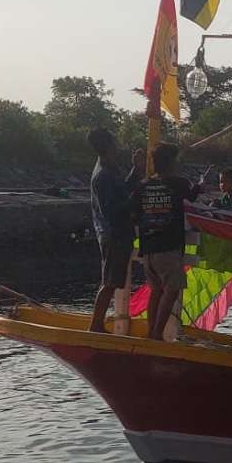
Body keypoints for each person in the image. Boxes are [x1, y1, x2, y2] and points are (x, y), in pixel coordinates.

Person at [133, 143, 204, 341]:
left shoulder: (143, 185)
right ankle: (157, 334)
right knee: (172, 290)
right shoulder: (179, 183)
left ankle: (150, 332)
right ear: (171, 162)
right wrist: (199, 186)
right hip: (168, 247)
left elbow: (134, 211)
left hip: (147, 248)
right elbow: (191, 196)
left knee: (156, 291)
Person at [87, 128, 142, 333]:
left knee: (111, 280)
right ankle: (96, 324)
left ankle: (97, 323)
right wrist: (135, 204)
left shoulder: (109, 169)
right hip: (113, 235)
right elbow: (112, 210)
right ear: (109, 145)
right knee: (109, 282)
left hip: (115, 234)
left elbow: (123, 191)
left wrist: (135, 171)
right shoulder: (102, 175)